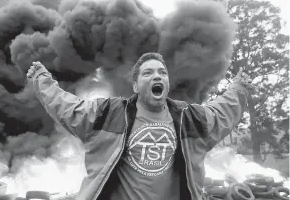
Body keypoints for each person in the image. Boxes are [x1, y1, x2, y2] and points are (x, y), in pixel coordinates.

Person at [26, 52, 252, 200]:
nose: (157, 76)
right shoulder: (110, 114)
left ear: (167, 83)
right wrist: (42, 80)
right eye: (148, 73)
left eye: (162, 73)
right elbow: (69, 108)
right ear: (135, 85)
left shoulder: (187, 118)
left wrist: (239, 88)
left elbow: (219, 114)